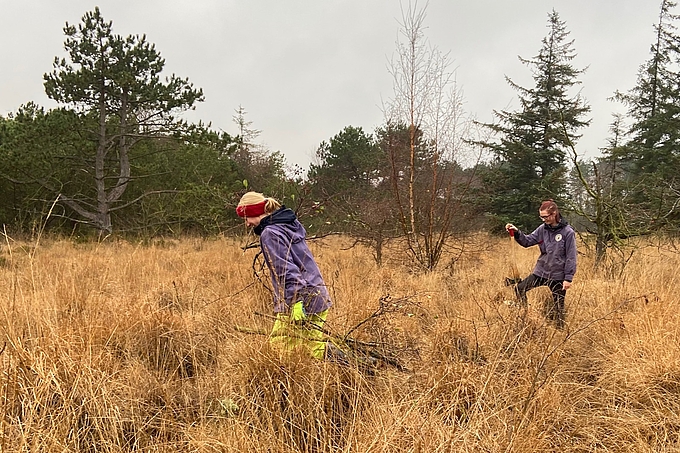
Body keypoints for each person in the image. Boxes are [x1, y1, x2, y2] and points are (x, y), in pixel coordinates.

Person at [236, 191, 332, 359]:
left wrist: (295, 301)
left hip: (301, 299)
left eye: (247, 217)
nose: (247, 223)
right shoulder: (288, 225)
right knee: (313, 346)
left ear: (254, 212)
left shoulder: (270, 233)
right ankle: (364, 363)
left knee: (279, 348)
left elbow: (286, 270)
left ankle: (360, 365)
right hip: (317, 293)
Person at [505, 200, 577, 328]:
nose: (544, 220)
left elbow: (571, 256)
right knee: (519, 288)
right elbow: (527, 241)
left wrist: (568, 278)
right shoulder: (542, 229)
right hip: (541, 272)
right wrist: (516, 232)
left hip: (558, 276)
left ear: (554, 213)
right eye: (541, 217)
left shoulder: (568, 232)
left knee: (558, 307)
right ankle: (525, 317)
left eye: (546, 216)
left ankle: (560, 331)